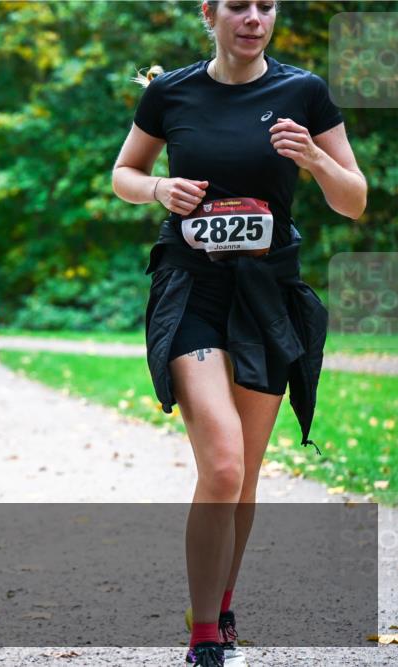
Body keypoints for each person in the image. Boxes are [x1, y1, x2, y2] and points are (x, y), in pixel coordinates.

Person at [111, 2, 366, 666]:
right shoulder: (171, 92)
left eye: (265, 5)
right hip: (192, 288)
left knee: (244, 475)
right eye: (238, 5)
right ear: (210, 12)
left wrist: (314, 157)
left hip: (266, 294)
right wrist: (159, 189)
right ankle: (203, 639)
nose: (253, 18)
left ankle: (221, 607)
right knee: (222, 465)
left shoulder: (303, 92)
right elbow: (124, 174)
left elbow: (354, 198)